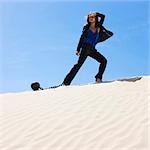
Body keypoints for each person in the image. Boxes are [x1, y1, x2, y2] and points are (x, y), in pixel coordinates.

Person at [63, 12, 113, 85]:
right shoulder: (86, 27)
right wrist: (78, 49)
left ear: (95, 18)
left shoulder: (99, 26)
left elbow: (103, 16)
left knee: (104, 61)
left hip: (92, 49)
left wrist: (96, 13)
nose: (91, 18)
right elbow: (81, 38)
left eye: (92, 17)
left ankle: (98, 77)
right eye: (89, 17)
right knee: (78, 65)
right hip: (85, 48)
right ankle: (66, 82)